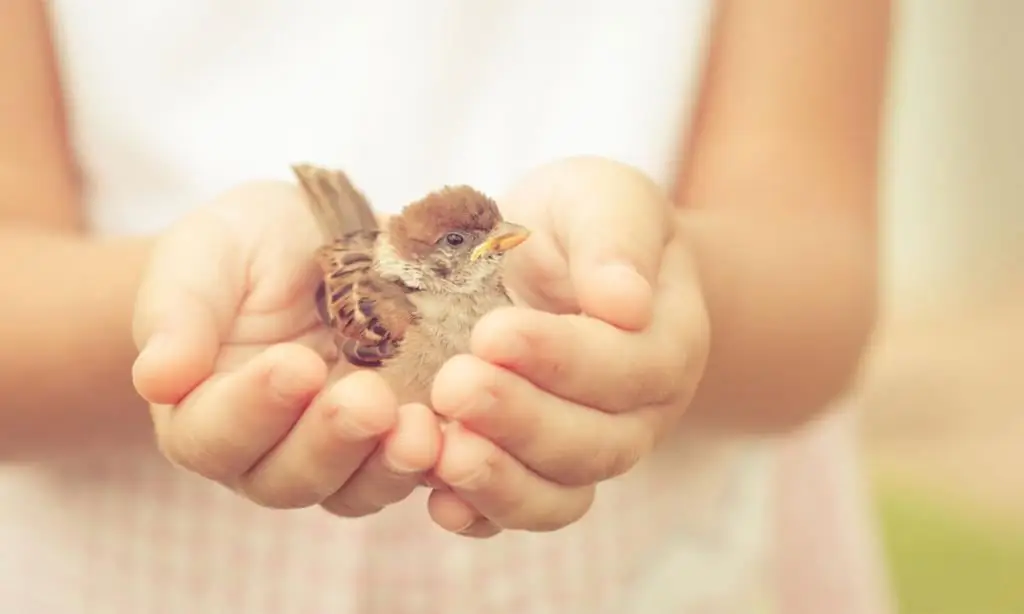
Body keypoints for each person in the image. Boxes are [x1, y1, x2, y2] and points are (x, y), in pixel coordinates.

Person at [0, 1, 891, 612]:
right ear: (428, 264)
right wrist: (191, 315)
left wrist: (676, 283)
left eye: (496, 239)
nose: (502, 250)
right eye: (472, 248)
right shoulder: (383, 319)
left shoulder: (522, 285)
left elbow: (817, 262)